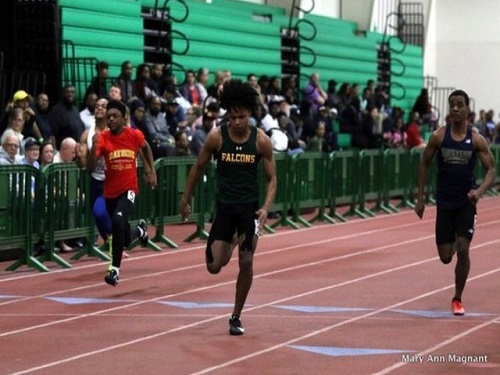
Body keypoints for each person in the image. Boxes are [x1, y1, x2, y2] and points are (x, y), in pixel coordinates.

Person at [180, 79, 277, 336]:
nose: (236, 122)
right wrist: (185, 198)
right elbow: (197, 166)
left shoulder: (261, 141)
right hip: (224, 208)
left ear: (250, 115)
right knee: (214, 266)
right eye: (232, 116)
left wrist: (266, 208)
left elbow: (272, 179)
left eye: (242, 117)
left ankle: (236, 315)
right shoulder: (216, 137)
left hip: (249, 209)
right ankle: (233, 238)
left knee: (246, 261)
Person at [415, 89, 496, 316]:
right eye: (452, 105)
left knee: (463, 249)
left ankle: (457, 298)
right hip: (444, 202)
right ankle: (451, 239)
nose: (455, 108)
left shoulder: (476, 139)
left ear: (467, 109)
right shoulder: (439, 137)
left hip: (465, 203)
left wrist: (479, 192)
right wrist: (420, 200)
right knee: (445, 257)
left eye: (460, 104)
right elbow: (424, 164)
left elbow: (491, 169)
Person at [87, 100, 157, 286]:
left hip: (129, 190)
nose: (110, 119)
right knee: (124, 237)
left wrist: (151, 171)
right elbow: (90, 167)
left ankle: (115, 271)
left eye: (114, 116)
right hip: (110, 193)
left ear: (124, 118)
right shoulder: (102, 137)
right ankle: (140, 230)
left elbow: (146, 148)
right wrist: (92, 149)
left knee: (117, 221)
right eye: (108, 116)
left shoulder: (134, 134)